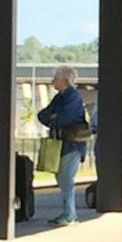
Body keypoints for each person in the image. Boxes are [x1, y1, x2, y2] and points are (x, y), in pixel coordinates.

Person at [35, 67, 90, 226]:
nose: (52, 80)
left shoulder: (72, 97)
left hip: (71, 144)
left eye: (55, 78)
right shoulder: (60, 97)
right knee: (61, 177)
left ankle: (70, 214)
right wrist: (53, 118)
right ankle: (68, 212)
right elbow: (42, 115)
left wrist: (53, 118)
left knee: (66, 178)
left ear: (64, 80)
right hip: (61, 143)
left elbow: (62, 119)